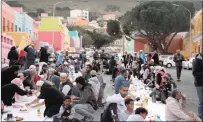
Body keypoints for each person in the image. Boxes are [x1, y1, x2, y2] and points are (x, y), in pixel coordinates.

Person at [192, 48, 203, 120]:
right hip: (199, 84)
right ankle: (200, 116)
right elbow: (194, 73)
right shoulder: (197, 60)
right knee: (201, 101)